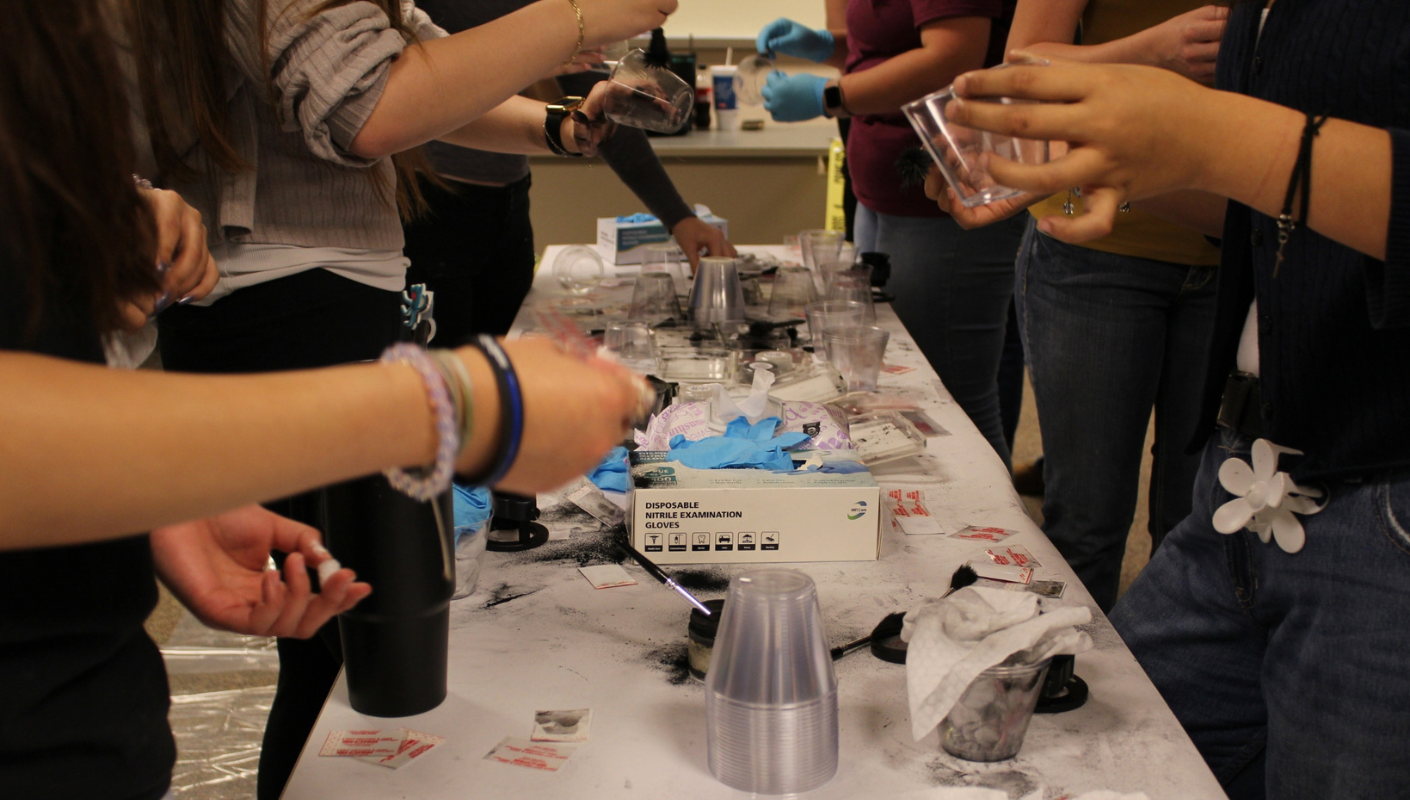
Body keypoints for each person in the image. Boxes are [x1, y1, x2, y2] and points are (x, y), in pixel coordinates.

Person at [0, 6, 645, 800]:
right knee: (355, 670)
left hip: (85, 700)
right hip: (40, 728)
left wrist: (154, 502)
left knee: (350, 659)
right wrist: (451, 405)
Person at [936, 1, 1410, 794]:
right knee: (1087, 754)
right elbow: (1293, 218)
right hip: (1249, 480)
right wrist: (1117, 164)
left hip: (1379, 491)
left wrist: (1208, 134)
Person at [994, 1, 1229, 611]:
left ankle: (1167, 671)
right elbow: (1022, 68)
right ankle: (1072, 667)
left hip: (1234, 246)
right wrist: (1158, 47)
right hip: (1096, 250)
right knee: (1088, 523)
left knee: (1201, 528)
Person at [755, 0, 1026, 469]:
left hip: (944, 201)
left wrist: (831, 95)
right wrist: (829, 47)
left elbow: (953, 58)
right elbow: (889, 48)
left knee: (952, 398)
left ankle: (990, 514)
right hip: (881, 198)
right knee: (899, 392)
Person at [405, 4, 736, 342]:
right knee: (438, 367)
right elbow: (431, 96)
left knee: (501, 362)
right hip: (428, 209)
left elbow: (593, 100)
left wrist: (678, 217)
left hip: (508, 203)